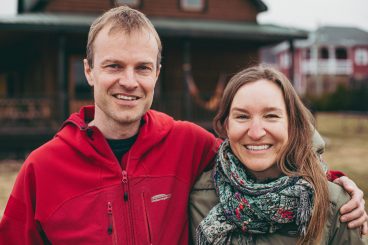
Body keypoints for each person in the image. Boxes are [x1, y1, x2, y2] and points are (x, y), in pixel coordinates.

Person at [0, 6, 366, 245]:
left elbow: (256, 159)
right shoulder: (42, 169)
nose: (129, 81)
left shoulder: (187, 143)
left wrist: (331, 181)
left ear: (157, 74)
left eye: (142, 68)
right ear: (88, 70)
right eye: (113, 66)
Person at [190, 65, 366, 244]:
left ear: (292, 124)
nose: (256, 133)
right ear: (227, 126)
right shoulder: (198, 198)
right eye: (242, 117)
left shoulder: (336, 205)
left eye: (271, 116)